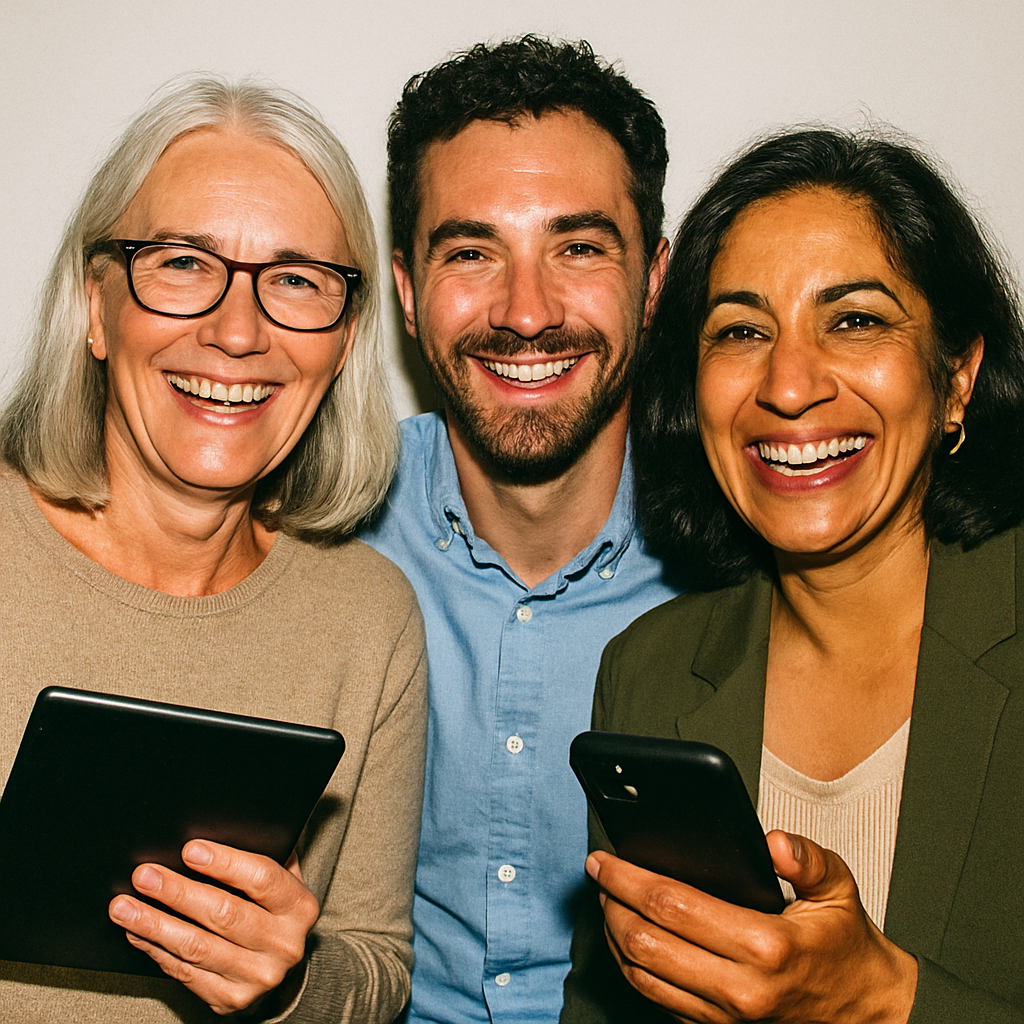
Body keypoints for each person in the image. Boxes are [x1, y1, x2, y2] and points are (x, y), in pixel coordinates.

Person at [560, 127, 1024, 1022]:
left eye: (854, 320)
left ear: (958, 375)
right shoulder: (648, 670)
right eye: (740, 331)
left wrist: (884, 1001)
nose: (788, 384)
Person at [0, 77, 426, 1024]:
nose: (238, 332)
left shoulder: (368, 615)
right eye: (185, 263)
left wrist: (293, 982)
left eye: (295, 280)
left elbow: (378, 969)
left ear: (346, 340)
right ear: (96, 305)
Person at [358, 36, 682, 1024]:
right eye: (471, 251)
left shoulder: (750, 558)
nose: (526, 312)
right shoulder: (319, 525)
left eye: (578, 248)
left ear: (653, 279)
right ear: (409, 291)